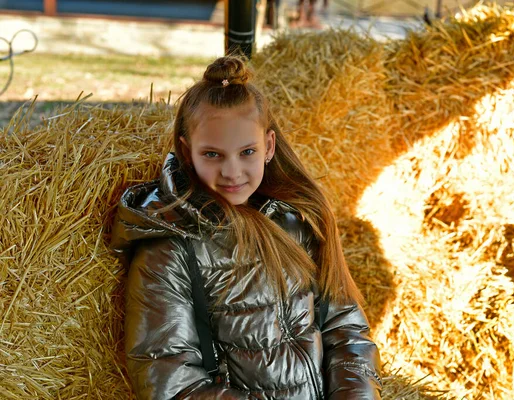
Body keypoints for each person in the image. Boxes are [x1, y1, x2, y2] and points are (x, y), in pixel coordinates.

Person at [110, 55, 382, 399]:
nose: (232, 171)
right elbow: (169, 380)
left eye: (247, 152)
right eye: (212, 154)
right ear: (186, 151)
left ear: (268, 147)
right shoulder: (170, 247)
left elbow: (347, 331)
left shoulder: (298, 221)